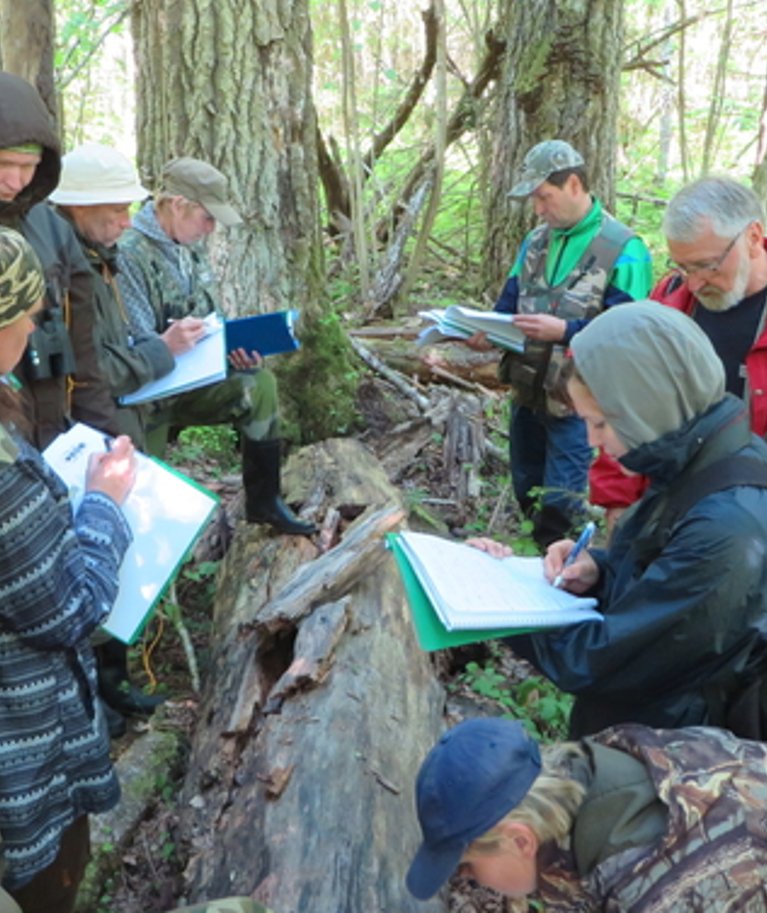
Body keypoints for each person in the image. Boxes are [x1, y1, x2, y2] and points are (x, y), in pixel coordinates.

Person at [470, 301, 767, 738]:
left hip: (675, 760)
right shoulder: (700, 457)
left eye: (602, 424)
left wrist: (488, 604)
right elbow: (665, 576)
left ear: (647, 407)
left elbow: (599, 661)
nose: (592, 440)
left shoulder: (726, 526)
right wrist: (599, 570)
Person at [0, 227, 137, 913]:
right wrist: (103, 504)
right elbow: (67, 609)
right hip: (18, 748)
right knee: (48, 885)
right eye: (26, 315)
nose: (32, 329)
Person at [467, 139, 652, 549]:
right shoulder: (534, 241)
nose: (538, 209)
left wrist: (565, 332)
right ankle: (533, 556)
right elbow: (508, 305)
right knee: (526, 487)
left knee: (560, 506)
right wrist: (486, 334)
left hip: (578, 405)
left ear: (573, 184)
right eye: (534, 200)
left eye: (543, 197)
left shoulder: (625, 249)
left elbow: (630, 335)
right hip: (526, 391)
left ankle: (559, 570)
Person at [117, 156, 315, 536]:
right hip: (145, 394)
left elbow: (209, 313)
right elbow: (135, 345)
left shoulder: (188, 245)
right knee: (140, 501)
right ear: (178, 205)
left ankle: (264, 503)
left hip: (192, 376)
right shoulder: (129, 253)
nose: (210, 229)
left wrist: (232, 346)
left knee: (259, 386)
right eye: (207, 218)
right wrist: (168, 344)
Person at [49, 142, 175, 733]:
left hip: (110, 421)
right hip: (77, 428)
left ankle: (114, 678)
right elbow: (94, 363)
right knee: (82, 551)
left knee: (117, 541)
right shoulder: (62, 257)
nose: (128, 222)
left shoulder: (104, 256)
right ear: (78, 206)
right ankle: (95, 690)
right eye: (116, 210)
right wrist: (159, 354)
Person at [405, 716, 767, 909]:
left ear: (520, 839)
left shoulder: (663, 891)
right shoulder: (600, 770)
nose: (466, 877)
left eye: (466, 866)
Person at [591, 176, 767, 530]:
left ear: (753, 238)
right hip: (670, 511)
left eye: (707, 265)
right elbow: (628, 401)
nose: (695, 283)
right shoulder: (671, 302)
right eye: (684, 267)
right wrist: (618, 500)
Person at [0, 71, 110, 448]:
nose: (15, 181)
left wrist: (102, 436)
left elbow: (84, 350)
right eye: (3, 163)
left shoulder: (52, 228)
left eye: (28, 166)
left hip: (53, 430)